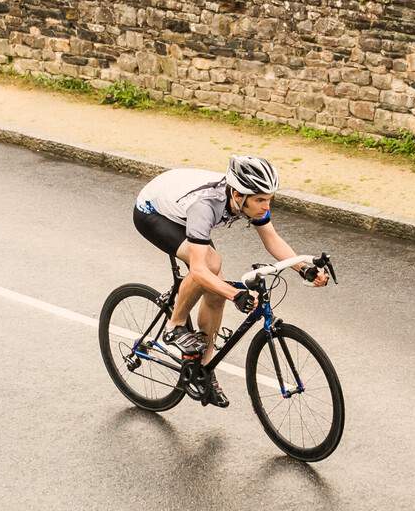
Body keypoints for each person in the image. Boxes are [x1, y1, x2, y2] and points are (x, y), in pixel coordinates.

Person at [132, 154, 328, 406]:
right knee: (211, 266)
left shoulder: (247, 198)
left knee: (216, 292)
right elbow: (201, 270)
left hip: (182, 208)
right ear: (237, 195)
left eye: (269, 199)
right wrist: (235, 294)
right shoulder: (206, 205)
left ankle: (203, 369)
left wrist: (303, 268)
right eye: (260, 200)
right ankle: (175, 325)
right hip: (154, 212)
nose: (266, 206)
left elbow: (271, 239)